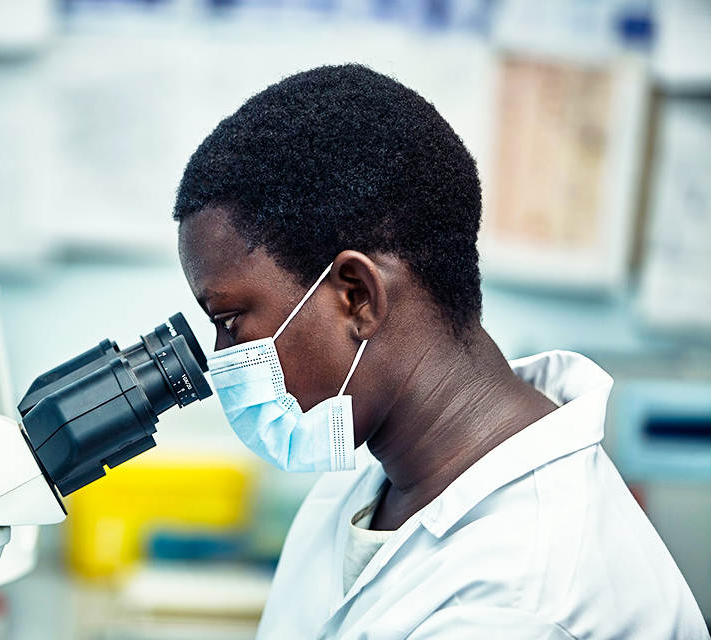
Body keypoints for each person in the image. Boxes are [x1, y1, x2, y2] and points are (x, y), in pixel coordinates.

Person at [173, 64, 709, 639]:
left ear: (356, 296)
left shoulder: (522, 599)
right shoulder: (363, 485)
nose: (220, 356)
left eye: (229, 321)